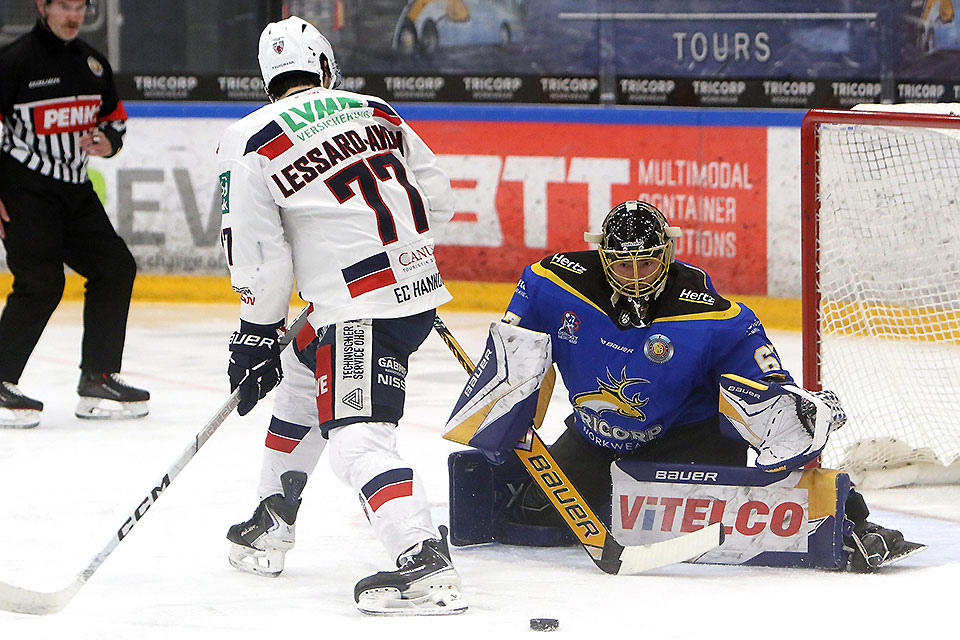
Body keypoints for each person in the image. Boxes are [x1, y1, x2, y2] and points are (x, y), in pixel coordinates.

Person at [453, 199, 922, 571]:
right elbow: (519, 356)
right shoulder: (552, 284)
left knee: (738, 528)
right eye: (622, 265)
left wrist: (794, 413)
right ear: (603, 256)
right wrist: (507, 415)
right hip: (595, 435)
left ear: (668, 254)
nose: (635, 277)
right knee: (534, 521)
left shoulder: (714, 316)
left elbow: (767, 394)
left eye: (647, 264)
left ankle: (855, 520)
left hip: (689, 441)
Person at [216, 16, 465, 615]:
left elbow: (257, 250)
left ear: (268, 80)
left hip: (358, 313)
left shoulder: (250, 137)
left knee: (358, 443)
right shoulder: (376, 110)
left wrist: (255, 331)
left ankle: (423, 558)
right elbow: (440, 201)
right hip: (409, 293)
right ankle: (273, 516)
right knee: (302, 375)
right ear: (325, 67)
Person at [0, 0, 149, 428]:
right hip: (23, 190)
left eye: (80, 6)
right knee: (42, 281)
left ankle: (98, 376)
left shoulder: (92, 63)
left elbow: (114, 119)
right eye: (64, 5)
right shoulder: (14, 62)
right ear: (41, 7)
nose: (74, 15)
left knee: (115, 267)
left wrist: (108, 141)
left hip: (74, 190)